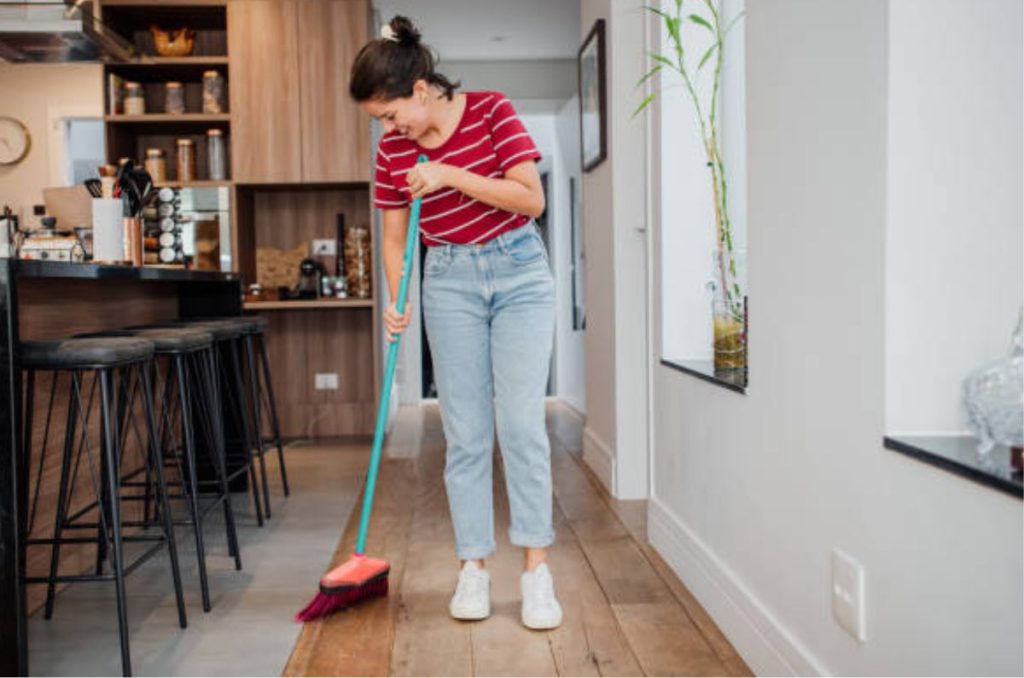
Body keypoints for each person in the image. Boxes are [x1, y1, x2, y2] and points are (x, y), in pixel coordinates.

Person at [349, 15, 562, 630]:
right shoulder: (392, 151)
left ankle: (536, 573)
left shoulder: (492, 111)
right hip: (448, 280)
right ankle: (472, 567)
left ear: (418, 89)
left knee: (521, 425)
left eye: (391, 115)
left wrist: (446, 174)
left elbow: (531, 198)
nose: (389, 130)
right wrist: (398, 295)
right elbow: (394, 237)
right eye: (380, 123)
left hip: (519, 271)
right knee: (465, 432)